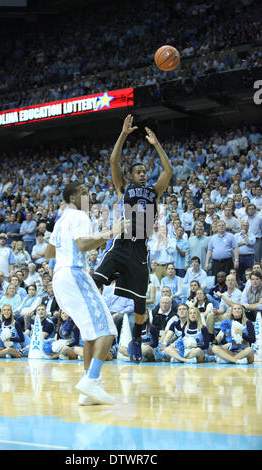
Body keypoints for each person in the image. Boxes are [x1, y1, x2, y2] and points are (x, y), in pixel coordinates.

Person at [93, 115, 173, 363]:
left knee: (140, 301)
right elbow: (113, 160)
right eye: (138, 172)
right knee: (95, 280)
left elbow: (168, 170)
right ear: (130, 175)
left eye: (145, 172)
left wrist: (157, 144)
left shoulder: (153, 191)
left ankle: (136, 339)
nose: (143, 174)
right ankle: (91, 324)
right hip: (121, 244)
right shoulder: (123, 188)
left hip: (140, 249)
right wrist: (123, 134)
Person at [45, 181, 122, 406]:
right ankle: (92, 380)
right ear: (72, 199)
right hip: (74, 273)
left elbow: (48, 252)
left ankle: (88, 392)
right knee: (107, 330)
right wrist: (111, 232)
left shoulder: (60, 221)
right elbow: (82, 244)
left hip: (59, 278)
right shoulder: (80, 216)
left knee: (90, 334)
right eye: (83, 192)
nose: (88, 195)